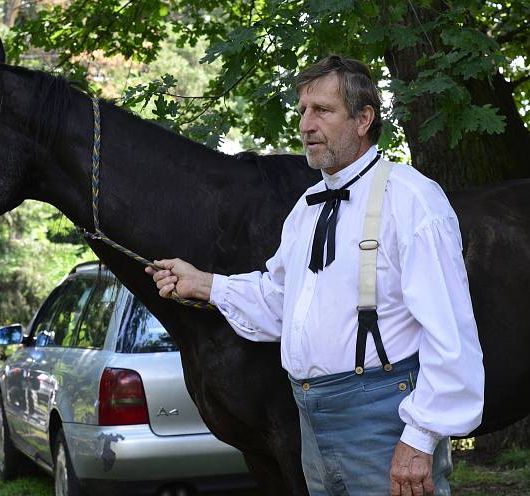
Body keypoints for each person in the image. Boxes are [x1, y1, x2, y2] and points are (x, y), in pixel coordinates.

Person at [146, 55, 484, 496]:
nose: (306, 124)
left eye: (322, 110)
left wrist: (419, 439)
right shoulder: (306, 209)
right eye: (303, 110)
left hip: (383, 421)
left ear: (364, 119)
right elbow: (278, 301)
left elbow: (450, 335)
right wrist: (203, 283)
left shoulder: (413, 200)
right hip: (310, 420)